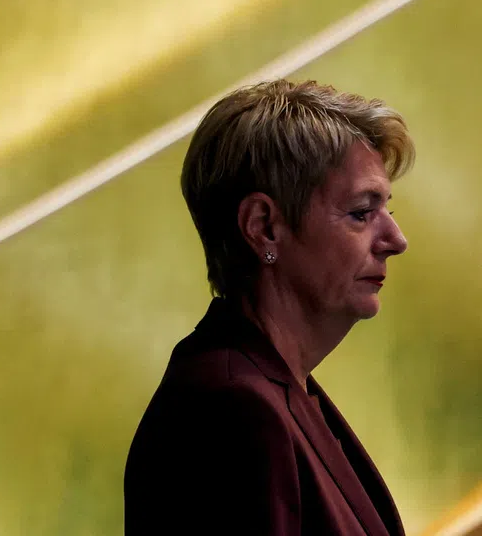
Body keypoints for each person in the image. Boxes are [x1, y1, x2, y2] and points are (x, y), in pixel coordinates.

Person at [124, 79, 414, 536]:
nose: (396, 241)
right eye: (361, 212)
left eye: (387, 211)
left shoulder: (272, 389)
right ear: (264, 228)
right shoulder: (230, 411)